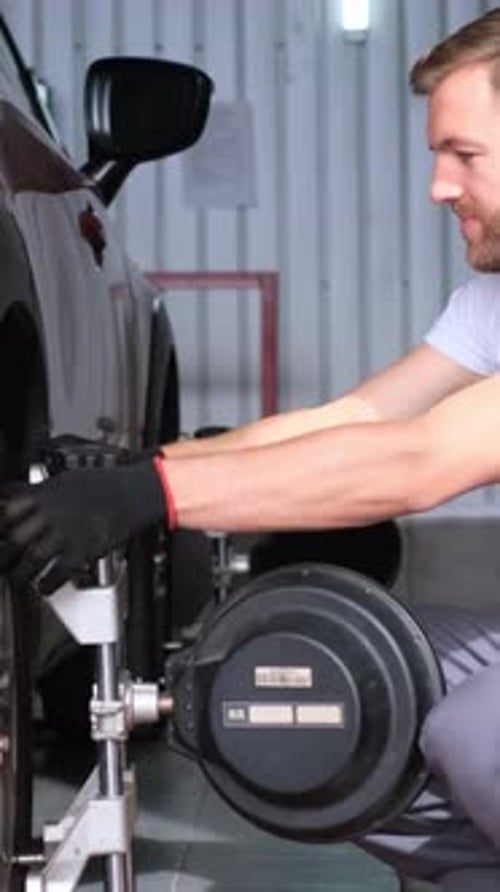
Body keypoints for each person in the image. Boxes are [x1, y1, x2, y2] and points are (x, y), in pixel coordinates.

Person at [3, 8, 500, 890]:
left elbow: (421, 462)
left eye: (464, 155)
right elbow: (355, 419)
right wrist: (151, 467)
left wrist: (153, 498)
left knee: (471, 735)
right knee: (356, 693)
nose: (437, 186)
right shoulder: (490, 303)